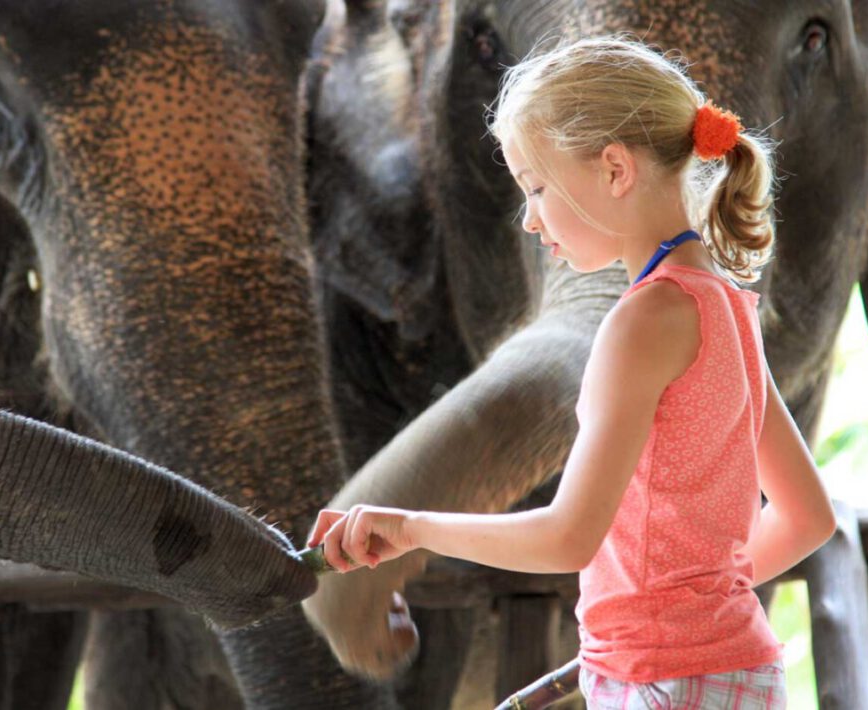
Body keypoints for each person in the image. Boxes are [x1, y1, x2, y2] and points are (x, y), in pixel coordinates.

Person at [306, 36, 836, 709]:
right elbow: (807, 516)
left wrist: (411, 529)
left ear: (614, 169)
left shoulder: (642, 321)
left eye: (536, 186)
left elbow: (569, 536)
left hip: (666, 684)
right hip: (733, 671)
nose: (529, 218)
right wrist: (681, 610)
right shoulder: (726, 304)